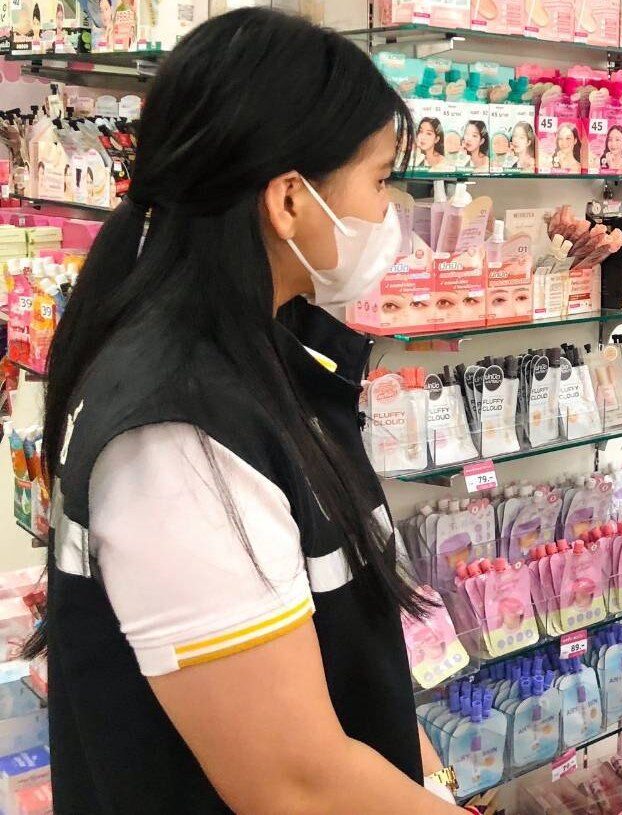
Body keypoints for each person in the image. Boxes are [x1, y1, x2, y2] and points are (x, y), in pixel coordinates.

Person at [31, 10, 473, 813]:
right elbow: (295, 783)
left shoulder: (267, 352)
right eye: (379, 181)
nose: (390, 214)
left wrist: (435, 784)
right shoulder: (178, 437)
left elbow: (346, 654)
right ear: (289, 200)